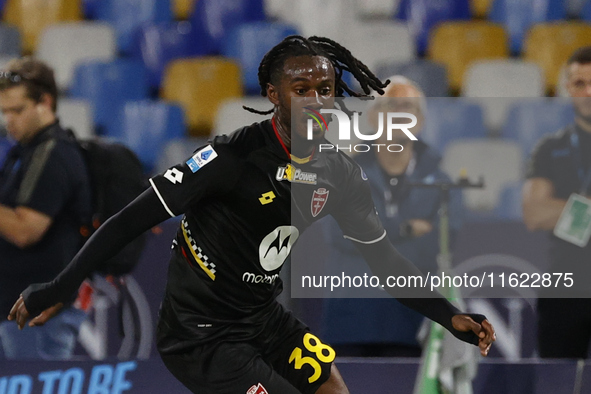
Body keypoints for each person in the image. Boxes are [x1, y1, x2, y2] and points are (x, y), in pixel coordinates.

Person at [8, 36, 495, 393]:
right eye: (300, 88)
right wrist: (58, 287)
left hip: (262, 317)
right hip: (199, 333)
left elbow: (385, 261)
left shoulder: (339, 171)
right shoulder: (229, 158)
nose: (316, 98)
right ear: (273, 94)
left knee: (334, 391)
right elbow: (127, 221)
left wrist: (449, 317)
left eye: (325, 87)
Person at [320, 76, 463, 357]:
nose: (399, 113)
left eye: (407, 106)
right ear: (374, 116)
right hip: (350, 323)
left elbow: (440, 246)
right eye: (390, 105)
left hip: (412, 324)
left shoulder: (442, 183)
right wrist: (406, 229)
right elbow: (340, 234)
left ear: (420, 120)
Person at [0, 57, 91, 359]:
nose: (9, 120)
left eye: (17, 110)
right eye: (4, 112)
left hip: (37, 318)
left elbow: (26, 230)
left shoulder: (54, 154)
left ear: (45, 102)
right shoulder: (24, 152)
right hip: (17, 313)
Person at [523, 46, 591, 359]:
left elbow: (547, 209)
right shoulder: (551, 148)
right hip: (566, 283)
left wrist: (561, 207)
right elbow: (535, 214)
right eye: (579, 84)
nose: (587, 92)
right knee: (558, 381)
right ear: (567, 89)